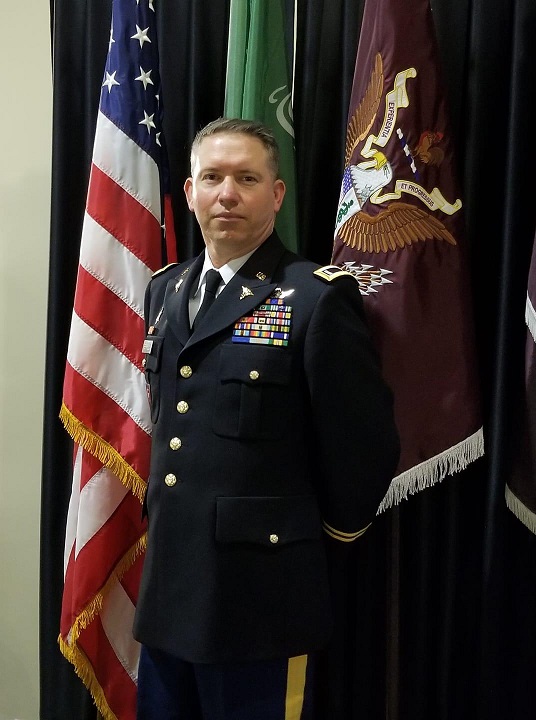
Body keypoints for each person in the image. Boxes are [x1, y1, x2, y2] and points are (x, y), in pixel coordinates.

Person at [133, 117, 400, 720]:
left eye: (247, 178)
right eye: (213, 177)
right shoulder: (166, 290)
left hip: (261, 597)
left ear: (276, 195)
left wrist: (318, 540)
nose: (227, 193)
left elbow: (363, 444)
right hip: (171, 589)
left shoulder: (313, 297)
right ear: (190, 191)